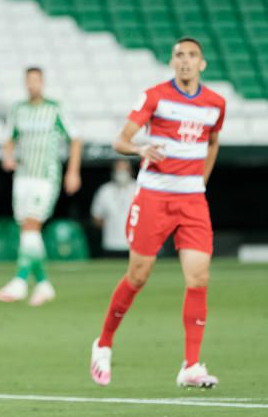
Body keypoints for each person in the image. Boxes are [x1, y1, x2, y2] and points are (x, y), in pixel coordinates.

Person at [90, 38, 226, 389]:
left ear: (202, 63)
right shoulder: (155, 96)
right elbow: (120, 141)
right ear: (172, 62)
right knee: (138, 275)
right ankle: (103, 343)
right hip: (154, 196)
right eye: (179, 55)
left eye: (192, 55)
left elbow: (212, 142)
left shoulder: (215, 104)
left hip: (192, 201)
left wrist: (201, 183)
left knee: (198, 279)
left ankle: (191, 366)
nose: (185, 61)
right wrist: (141, 149)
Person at [0, 67, 82, 306]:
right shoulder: (18, 109)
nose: (32, 85)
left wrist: (73, 171)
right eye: (28, 81)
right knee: (28, 230)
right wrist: (8, 155)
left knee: (32, 224)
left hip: (46, 176)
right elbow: (8, 138)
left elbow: (75, 139)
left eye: (36, 80)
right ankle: (43, 284)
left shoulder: (55, 108)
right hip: (23, 176)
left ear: (42, 82)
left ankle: (20, 280)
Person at [90, 160, 137, 257]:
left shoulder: (139, 189)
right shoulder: (105, 190)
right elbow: (96, 217)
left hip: (135, 245)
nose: (122, 173)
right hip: (110, 245)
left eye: (125, 170)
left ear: (131, 171)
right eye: (119, 170)